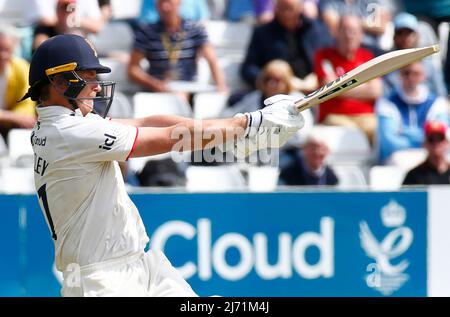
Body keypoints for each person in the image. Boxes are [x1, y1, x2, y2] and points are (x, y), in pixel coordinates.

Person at [23, 34, 304, 296]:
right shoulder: (70, 132)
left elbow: (148, 122)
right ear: (59, 82)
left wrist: (233, 130)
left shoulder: (67, 125)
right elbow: (169, 139)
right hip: (102, 281)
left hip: (137, 264)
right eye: (87, 76)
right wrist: (245, 125)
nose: (96, 86)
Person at [128, 0, 227, 101]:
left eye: (169, 2)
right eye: (161, 3)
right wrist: (155, 84)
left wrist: (221, 88)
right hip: (158, 92)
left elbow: (212, 60)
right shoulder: (146, 32)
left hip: (189, 90)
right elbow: (133, 70)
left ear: (179, 3)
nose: (165, 7)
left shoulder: (196, 29)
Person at [314, 14, 383, 144]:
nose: (349, 35)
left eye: (354, 31)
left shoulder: (367, 57)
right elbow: (330, 89)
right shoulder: (324, 56)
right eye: (345, 30)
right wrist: (364, 88)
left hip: (366, 118)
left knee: (381, 131)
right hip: (335, 117)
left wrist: (342, 89)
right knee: (352, 135)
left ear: (361, 35)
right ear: (337, 33)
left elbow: (376, 91)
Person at [240, 0, 333, 93]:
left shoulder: (317, 29)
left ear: (300, 7)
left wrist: (319, 75)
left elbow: (331, 58)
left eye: (290, 8)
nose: (286, 14)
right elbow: (249, 68)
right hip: (278, 94)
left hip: (316, 90)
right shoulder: (263, 33)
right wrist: (270, 79)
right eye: (282, 8)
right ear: (275, 9)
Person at [376, 62, 449, 164]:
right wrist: (425, 139)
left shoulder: (437, 103)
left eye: (416, 73)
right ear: (399, 75)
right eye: (406, 73)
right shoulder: (386, 103)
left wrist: (404, 132)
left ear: (423, 75)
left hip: (430, 158)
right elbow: (389, 143)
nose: (411, 77)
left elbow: (441, 138)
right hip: (397, 160)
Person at [382, 12, 447, 98]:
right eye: (400, 33)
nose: (405, 38)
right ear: (394, 37)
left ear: (417, 36)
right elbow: (385, 100)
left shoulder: (430, 67)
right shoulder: (386, 69)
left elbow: (441, 96)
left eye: (409, 33)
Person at [0, 26, 36, 141]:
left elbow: (27, 103)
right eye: (0, 49)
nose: (2, 55)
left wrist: (17, 118)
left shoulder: (21, 67)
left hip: (10, 128)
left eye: (7, 50)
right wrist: (13, 117)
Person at [403, 121, 450, 185]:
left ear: (447, 143)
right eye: (431, 139)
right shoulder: (414, 176)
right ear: (424, 144)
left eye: (440, 139)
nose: (436, 143)